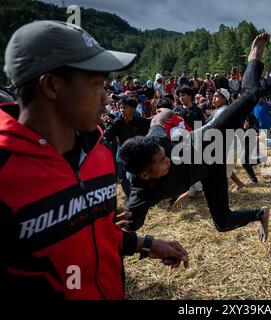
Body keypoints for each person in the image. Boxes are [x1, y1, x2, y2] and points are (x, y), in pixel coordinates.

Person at [0, 20, 188, 300]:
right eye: (97, 83)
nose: (106, 97)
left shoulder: (99, 153)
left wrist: (147, 244)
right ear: (52, 86)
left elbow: (95, 232)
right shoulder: (6, 175)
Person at [121, 33, 271, 241]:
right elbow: (125, 231)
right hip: (210, 168)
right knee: (223, 223)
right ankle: (261, 214)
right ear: (145, 175)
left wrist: (168, 112)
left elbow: (157, 123)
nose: (169, 159)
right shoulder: (140, 197)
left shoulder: (155, 142)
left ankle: (254, 57)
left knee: (250, 96)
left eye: (165, 154)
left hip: (208, 140)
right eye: (163, 161)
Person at [103, 98, 150, 201]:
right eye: (120, 107)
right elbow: (107, 136)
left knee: (137, 175)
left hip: (137, 152)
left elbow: (151, 128)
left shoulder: (141, 121)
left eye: (124, 107)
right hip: (121, 152)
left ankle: (143, 194)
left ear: (133, 109)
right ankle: (131, 197)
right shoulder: (117, 122)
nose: (121, 110)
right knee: (122, 176)